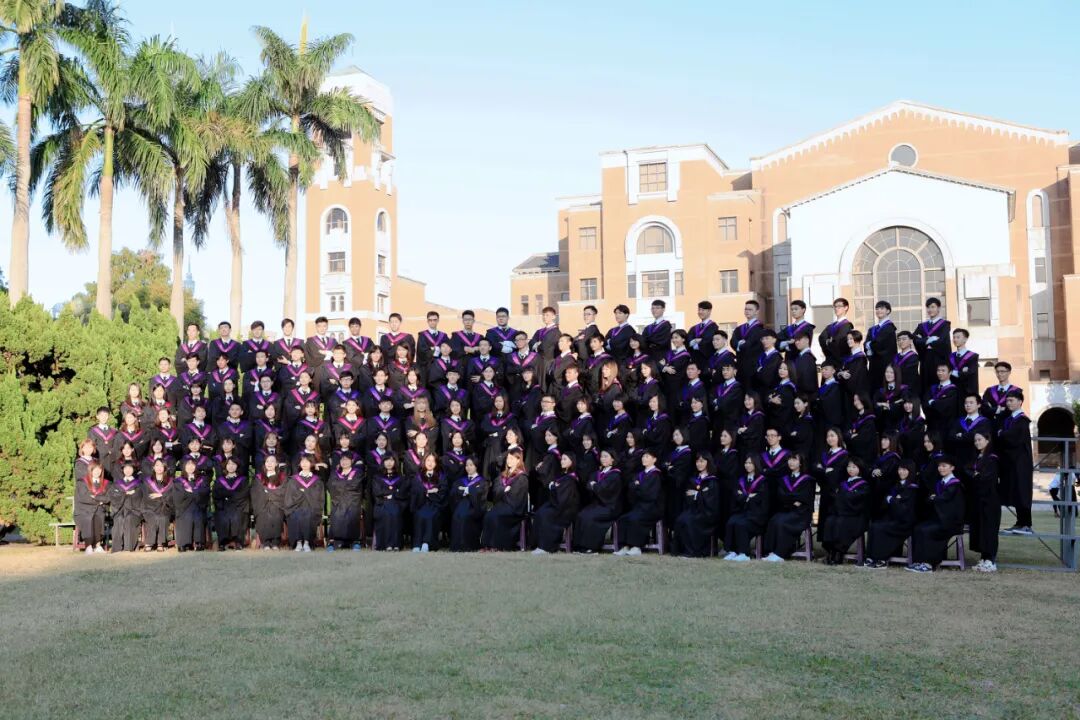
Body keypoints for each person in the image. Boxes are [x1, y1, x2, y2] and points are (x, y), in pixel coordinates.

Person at [907, 455, 965, 573]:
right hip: (940, 518)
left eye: (944, 466)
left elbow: (947, 504)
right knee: (918, 528)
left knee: (928, 531)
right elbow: (932, 499)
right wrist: (935, 499)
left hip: (951, 522)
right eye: (939, 466)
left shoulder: (955, 485)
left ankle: (929, 564)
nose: (941, 468)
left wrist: (935, 498)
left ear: (952, 468)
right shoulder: (940, 483)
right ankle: (919, 561)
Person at [863, 459, 919, 568]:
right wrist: (894, 500)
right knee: (874, 526)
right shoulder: (897, 485)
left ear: (910, 471)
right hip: (893, 517)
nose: (901, 472)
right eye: (900, 469)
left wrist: (891, 500)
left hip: (905, 521)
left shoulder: (912, 488)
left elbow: (904, 508)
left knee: (882, 528)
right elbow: (887, 502)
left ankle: (881, 559)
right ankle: (871, 557)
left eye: (904, 470)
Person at [762, 453, 814, 562]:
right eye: (790, 459)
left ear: (800, 463)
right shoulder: (784, 479)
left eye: (794, 459)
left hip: (801, 513)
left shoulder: (807, 480)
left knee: (782, 522)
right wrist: (792, 500)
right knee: (773, 520)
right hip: (787, 510)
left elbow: (804, 498)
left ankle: (780, 553)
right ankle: (771, 551)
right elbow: (781, 495)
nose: (791, 462)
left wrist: (789, 498)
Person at [573, 449, 623, 554]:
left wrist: (595, 486)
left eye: (606, 456)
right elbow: (589, 485)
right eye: (601, 456)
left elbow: (604, 489)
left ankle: (591, 547)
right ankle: (579, 546)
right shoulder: (598, 473)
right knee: (581, 515)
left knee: (591, 517)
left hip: (610, 506)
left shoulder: (615, 475)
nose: (603, 459)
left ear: (612, 459)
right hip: (597, 504)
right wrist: (596, 486)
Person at [997, 393, 1034, 536]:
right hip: (1013, 461)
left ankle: (1026, 524)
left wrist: (1001, 433)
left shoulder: (1022, 420)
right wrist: (1001, 433)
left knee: (1022, 491)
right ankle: (1020, 523)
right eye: (1007, 401)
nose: (1008, 403)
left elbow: (1011, 438)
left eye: (1011, 400)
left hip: (1021, 462)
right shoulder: (1010, 419)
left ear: (1020, 402)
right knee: (1017, 492)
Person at [822, 458, 870, 565]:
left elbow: (858, 502)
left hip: (855, 515)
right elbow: (836, 498)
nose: (850, 469)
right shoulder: (843, 483)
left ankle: (839, 553)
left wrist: (843, 497)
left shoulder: (863, 485)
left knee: (841, 523)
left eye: (854, 467)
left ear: (860, 469)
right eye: (849, 467)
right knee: (830, 521)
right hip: (840, 513)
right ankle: (831, 551)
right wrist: (845, 496)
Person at [615, 449, 663, 556]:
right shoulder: (640, 474)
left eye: (647, 456)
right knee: (623, 519)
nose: (643, 458)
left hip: (652, 507)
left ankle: (636, 546)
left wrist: (637, 487)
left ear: (654, 459)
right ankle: (625, 546)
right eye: (643, 456)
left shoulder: (656, 475)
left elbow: (650, 494)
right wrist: (639, 487)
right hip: (640, 506)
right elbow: (631, 487)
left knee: (635, 519)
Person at [672, 452, 720, 558]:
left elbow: (711, 500)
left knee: (690, 521)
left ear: (708, 463)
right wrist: (698, 495)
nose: (699, 464)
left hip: (707, 513)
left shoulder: (712, 480)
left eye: (702, 461)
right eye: (697, 461)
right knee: (681, 519)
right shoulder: (694, 479)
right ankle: (682, 550)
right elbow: (688, 494)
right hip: (694, 510)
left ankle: (694, 552)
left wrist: (697, 494)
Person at [531, 453, 581, 554]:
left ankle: (547, 547)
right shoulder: (562, 475)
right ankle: (538, 544)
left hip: (566, 508)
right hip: (557, 504)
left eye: (565, 459)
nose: (562, 461)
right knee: (540, 512)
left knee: (546, 515)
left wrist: (553, 487)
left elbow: (564, 497)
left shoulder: (572, 478)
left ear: (572, 462)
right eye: (562, 459)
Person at [723, 455, 769, 562]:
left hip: (757, 515)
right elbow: (736, 496)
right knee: (731, 522)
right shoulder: (741, 480)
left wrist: (744, 497)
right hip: (743, 512)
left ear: (756, 464)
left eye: (750, 463)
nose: (747, 465)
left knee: (741, 524)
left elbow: (761, 499)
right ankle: (732, 551)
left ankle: (744, 553)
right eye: (746, 463)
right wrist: (749, 497)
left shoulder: (762, 481)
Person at [482, 447, 529, 550]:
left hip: (515, 509)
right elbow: (495, 491)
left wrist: (502, 492)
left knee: (496, 515)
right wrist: (504, 490)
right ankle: (487, 545)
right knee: (489, 515)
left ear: (518, 460)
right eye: (508, 458)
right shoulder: (502, 476)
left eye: (512, 458)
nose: (509, 461)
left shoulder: (522, 477)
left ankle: (496, 545)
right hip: (502, 505)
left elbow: (515, 496)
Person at [968, 430, 1001, 572]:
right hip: (979, 498)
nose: (977, 442)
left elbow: (986, 478)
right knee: (981, 529)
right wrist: (975, 475)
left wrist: (976, 475)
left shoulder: (992, 458)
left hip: (990, 499)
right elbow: (969, 472)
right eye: (975, 440)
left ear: (987, 440)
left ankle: (991, 560)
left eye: (980, 439)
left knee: (989, 530)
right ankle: (983, 558)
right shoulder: (978, 457)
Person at [326, 453, 365, 551]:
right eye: (342, 460)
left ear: (352, 461)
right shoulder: (334, 473)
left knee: (351, 516)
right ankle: (334, 542)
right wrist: (345, 485)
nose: (344, 462)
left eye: (347, 460)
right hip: (338, 500)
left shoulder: (358, 472)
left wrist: (341, 486)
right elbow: (331, 485)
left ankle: (355, 542)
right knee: (337, 516)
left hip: (352, 500)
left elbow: (355, 486)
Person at [411, 453, 449, 552]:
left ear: (436, 463)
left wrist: (428, 494)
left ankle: (427, 543)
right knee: (419, 515)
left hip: (435, 504)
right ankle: (417, 544)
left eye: (433, 461)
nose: (430, 463)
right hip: (421, 504)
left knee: (431, 516)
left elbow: (442, 492)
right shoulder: (418, 477)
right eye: (428, 460)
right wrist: (429, 491)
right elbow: (415, 491)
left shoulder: (441, 477)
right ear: (424, 462)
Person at [449, 457, 489, 552]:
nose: (468, 467)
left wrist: (468, 490)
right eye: (467, 465)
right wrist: (463, 492)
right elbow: (454, 492)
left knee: (465, 516)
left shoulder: (482, 481)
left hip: (474, 507)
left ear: (476, 466)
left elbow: (482, 495)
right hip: (461, 505)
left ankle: (466, 545)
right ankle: (456, 546)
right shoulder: (461, 480)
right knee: (457, 515)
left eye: (471, 465)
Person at [912, 297, 951, 392]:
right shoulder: (922, 326)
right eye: (928, 307)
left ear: (938, 308)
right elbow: (914, 338)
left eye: (933, 307)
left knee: (939, 384)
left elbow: (942, 341)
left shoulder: (944, 324)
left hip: (939, 359)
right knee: (925, 385)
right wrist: (928, 340)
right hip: (925, 359)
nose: (930, 310)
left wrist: (924, 341)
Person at [171, 459, 210, 552]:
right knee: (186, 516)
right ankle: (183, 543)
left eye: (193, 465)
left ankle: (199, 542)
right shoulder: (178, 481)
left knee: (198, 515)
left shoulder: (202, 479)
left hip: (198, 505)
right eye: (188, 465)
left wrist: (191, 492)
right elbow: (178, 496)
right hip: (183, 507)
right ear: (184, 467)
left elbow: (205, 492)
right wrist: (194, 493)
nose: (190, 467)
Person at [372, 454, 408, 551]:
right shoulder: (377, 477)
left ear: (395, 462)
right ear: (383, 462)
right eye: (386, 460)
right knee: (387, 513)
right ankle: (386, 544)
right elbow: (377, 492)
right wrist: (393, 493)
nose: (389, 463)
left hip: (397, 503)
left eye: (391, 460)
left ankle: (396, 544)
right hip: (382, 504)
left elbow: (403, 491)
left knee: (395, 512)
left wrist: (391, 495)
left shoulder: (400, 478)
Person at [252, 455, 288, 549]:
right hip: (262, 503)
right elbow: (256, 492)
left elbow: (283, 491)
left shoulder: (282, 477)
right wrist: (268, 496)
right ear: (264, 464)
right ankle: (266, 542)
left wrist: (269, 494)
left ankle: (275, 541)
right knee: (263, 515)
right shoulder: (259, 477)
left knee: (276, 515)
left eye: (272, 461)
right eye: (267, 461)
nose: (269, 464)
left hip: (278, 504)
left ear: (276, 464)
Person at [213, 457, 249, 551]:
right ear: (225, 466)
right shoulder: (219, 480)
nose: (231, 466)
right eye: (229, 464)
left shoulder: (243, 480)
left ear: (237, 466)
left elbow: (244, 494)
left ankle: (238, 541)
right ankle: (222, 542)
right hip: (223, 505)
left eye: (233, 464)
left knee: (238, 516)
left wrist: (228, 496)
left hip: (238, 505)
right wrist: (223, 501)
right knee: (222, 517)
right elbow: (216, 494)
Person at [108, 462, 142, 552]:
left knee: (129, 518)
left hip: (134, 510)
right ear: (122, 470)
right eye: (125, 468)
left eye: (130, 468)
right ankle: (117, 548)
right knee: (118, 519)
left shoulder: (139, 483)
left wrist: (130, 494)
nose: (128, 470)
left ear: (133, 470)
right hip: (120, 509)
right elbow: (113, 496)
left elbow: (140, 497)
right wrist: (125, 494)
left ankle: (128, 547)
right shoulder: (117, 483)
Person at [141, 459, 173, 552]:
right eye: (157, 465)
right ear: (153, 467)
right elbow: (147, 497)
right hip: (149, 508)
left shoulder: (170, 482)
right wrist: (162, 497)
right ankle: (150, 543)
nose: (159, 468)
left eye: (161, 466)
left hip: (165, 507)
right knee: (153, 517)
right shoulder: (147, 481)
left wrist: (161, 495)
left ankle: (160, 543)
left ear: (165, 468)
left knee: (163, 517)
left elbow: (172, 496)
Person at [864, 300, 896, 394]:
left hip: (886, 363)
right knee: (874, 390)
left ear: (888, 311)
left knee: (885, 389)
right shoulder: (872, 329)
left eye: (882, 308)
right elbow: (866, 343)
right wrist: (869, 349)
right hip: (874, 364)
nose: (878, 311)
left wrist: (870, 345)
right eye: (877, 309)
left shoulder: (889, 327)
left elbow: (878, 344)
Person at [731, 300, 766, 384]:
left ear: (757, 311)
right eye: (746, 309)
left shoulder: (760, 329)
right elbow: (733, 341)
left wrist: (740, 345)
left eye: (750, 309)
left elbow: (751, 343)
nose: (747, 311)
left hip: (752, 366)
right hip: (740, 365)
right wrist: (739, 344)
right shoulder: (739, 328)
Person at [818, 298, 854, 368]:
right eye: (835, 307)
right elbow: (821, 338)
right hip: (829, 360)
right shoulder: (830, 326)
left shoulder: (847, 325)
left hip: (840, 361)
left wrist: (828, 342)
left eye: (839, 306)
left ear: (846, 308)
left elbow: (839, 342)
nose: (836, 309)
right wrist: (830, 342)